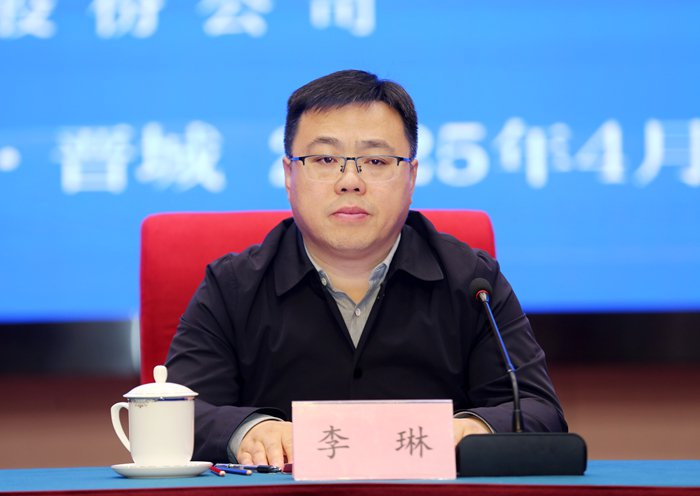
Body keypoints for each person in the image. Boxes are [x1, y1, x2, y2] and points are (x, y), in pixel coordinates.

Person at [165, 69, 567, 467]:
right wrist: (249, 431)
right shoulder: (233, 287)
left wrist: (475, 428)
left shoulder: (473, 282)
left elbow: (540, 412)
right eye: (325, 159)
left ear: (411, 176)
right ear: (289, 175)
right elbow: (174, 414)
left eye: (375, 160)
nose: (350, 181)